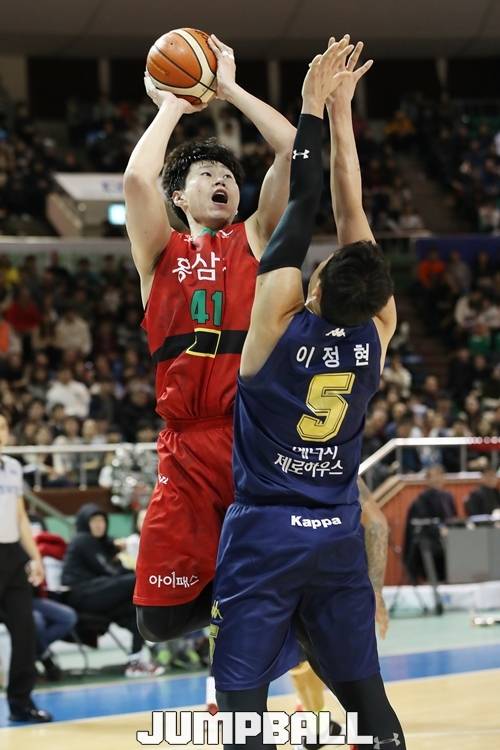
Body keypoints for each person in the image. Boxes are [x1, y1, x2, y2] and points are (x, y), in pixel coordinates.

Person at [210, 38, 405, 750]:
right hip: (335, 535)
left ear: (315, 286)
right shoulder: (379, 330)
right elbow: (351, 212)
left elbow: (305, 201)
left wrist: (313, 110)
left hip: (265, 533)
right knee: (367, 700)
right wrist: (341, 115)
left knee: (242, 707)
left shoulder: (275, 324)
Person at [124, 34, 296, 642]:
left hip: (252, 436)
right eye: (206, 174)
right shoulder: (159, 251)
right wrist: (174, 103)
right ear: (179, 196)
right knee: (157, 621)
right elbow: (137, 180)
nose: (222, 179)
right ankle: (243, 604)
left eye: (228, 175)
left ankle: (264, 618)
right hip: (185, 447)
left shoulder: (255, 236)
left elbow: (292, 147)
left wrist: (228, 89)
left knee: (285, 593)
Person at [61, 503, 164, 678]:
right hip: (81, 595)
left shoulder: (102, 544)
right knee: (137, 580)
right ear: (85, 523)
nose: (99, 525)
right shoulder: (83, 540)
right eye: (94, 521)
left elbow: (113, 570)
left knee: (136, 614)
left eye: (102, 521)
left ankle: (135, 662)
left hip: (100, 594)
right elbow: (107, 570)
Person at [0, 413, 52, 722]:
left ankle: (21, 704)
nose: (0, 433)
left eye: (3, 427)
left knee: (25, 631)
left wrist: (35, 557)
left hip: (12, 556)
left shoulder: (13, 467)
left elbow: (20, 518)